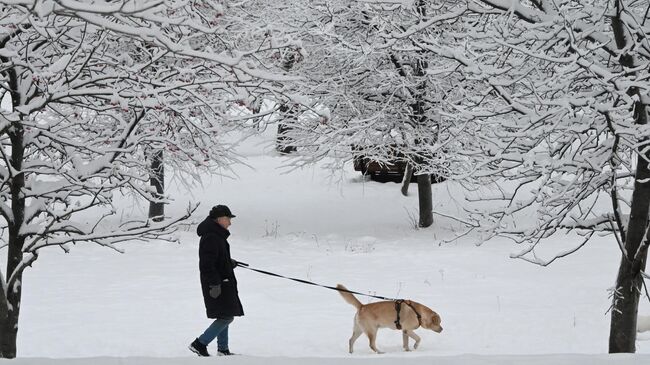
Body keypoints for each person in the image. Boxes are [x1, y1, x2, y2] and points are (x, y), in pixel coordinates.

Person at [189, 204, 244, 357]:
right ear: (219, 219)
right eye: (228, 219)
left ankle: (223, 350)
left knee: (225, 314)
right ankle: (200, 344)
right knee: (226, 316)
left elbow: (215, 258)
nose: (230, 223)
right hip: (217, 284)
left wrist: (228, 262)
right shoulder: (211, 237)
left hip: (222, 282)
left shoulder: (216, 235)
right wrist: (214, 283)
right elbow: (207, 264)